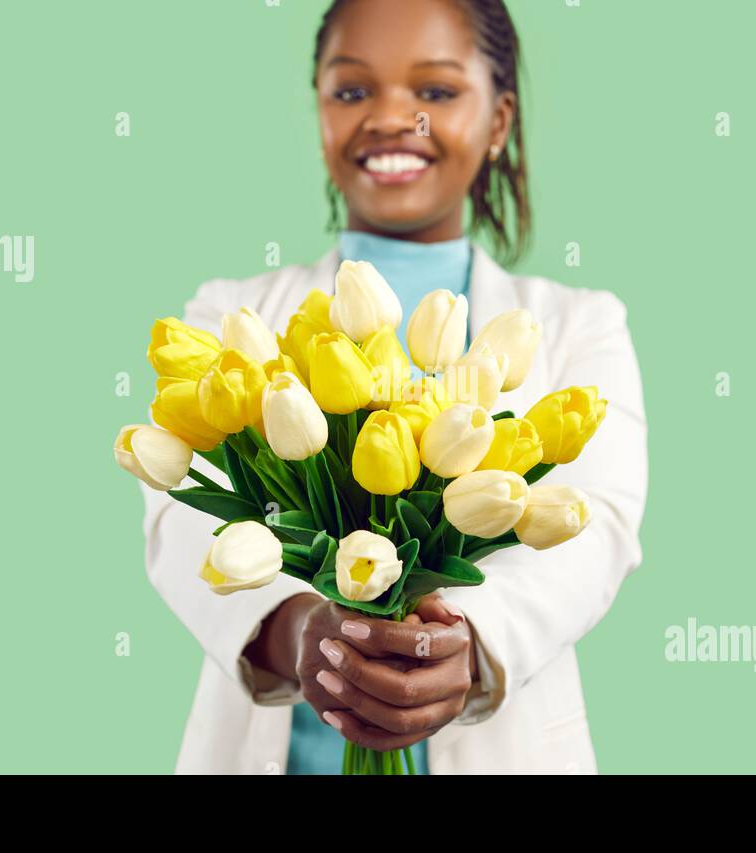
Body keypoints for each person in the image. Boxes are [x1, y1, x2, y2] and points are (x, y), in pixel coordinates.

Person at [139, 0, 647, 774]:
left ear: (500, 119)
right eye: (351, 92)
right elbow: (180, 525)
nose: (391, 119)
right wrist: (301, 633)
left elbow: (596, 526)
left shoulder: (580, 325)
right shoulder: (232, 315)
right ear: (318, 110)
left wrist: (465, 646)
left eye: (436, 93)